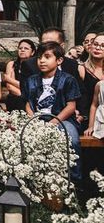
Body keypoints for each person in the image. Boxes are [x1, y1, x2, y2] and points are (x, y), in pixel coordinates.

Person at [21, 41, 82, 181]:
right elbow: (28, 104)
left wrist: (53, 122)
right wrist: (33, 120)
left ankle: (74, 181)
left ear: (59, 60)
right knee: (22, 139)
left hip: (62, 119)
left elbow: (71, 106)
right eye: (39, 57)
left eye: (47, 57)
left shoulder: (68, 79)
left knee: (72, 139)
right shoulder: (31, 80)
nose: (42, 61)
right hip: (36, 119)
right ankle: (29, 180)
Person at [21, 27, 87, 121]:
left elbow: (80, 92)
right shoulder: (29, 65)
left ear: (62, 46)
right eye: (43, 44)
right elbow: (27, 98)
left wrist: (80, 114)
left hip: (65, 118)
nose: (47, 47)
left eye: (52, 44)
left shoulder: (71, 65)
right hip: (36, 117)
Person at [3, 38, 36, 112]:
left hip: (30, 100)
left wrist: (9, 79)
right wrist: (24, 95)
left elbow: (30, 87)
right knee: (14, 99)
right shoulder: (11, 64)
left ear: (32, 52)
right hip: (15, 98)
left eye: (26, 48)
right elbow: (10, 86)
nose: (22, 50)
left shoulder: (35, 67)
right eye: (20, 48)